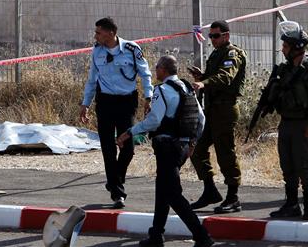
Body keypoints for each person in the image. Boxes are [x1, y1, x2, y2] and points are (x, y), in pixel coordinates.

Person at [116, 55, 214, 247]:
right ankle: (156, 235)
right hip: (182, 147)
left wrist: (129, 132)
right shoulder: (187, 88)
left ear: (164, 70)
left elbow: (154, 120)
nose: (155, 70)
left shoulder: (161, 90)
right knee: (163, 190)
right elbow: (200, 119)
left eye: (157, 67)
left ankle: (202, 236)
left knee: (173, 195)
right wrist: (192, 142)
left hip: (167, 147)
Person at [80, 17, 153, 209]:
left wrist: (149, 97)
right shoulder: (97, 51)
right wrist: (85, 104)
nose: (95, 36)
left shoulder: (131, 49)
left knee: (127, 148)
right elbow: (91, 79)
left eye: (98, 32)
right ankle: (117, 192)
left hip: (126, 102)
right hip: (104, 102)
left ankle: (115, 180)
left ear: (111, 33)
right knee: (108, 147)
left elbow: (145, 74)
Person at [268, 21, 308, 220]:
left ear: (296, 48)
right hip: (286, 123)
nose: (282, 49)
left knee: (305, 167)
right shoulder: (285, 69)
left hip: (303, 124)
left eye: (286, 46)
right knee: (287, 166)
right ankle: (292, 204)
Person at [188, 20, 246, 214]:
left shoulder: (232, 54)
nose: (212, 39)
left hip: (225, 110)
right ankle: (210, 190)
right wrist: (202, 77)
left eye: (215, 36)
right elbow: (214, 77)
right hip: (212, 109)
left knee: (225, 152)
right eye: (211, 36)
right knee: (197, 149)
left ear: (226, 35)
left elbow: (226, 77)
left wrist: (205, 82)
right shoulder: (216, 53)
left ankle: (233, 197)